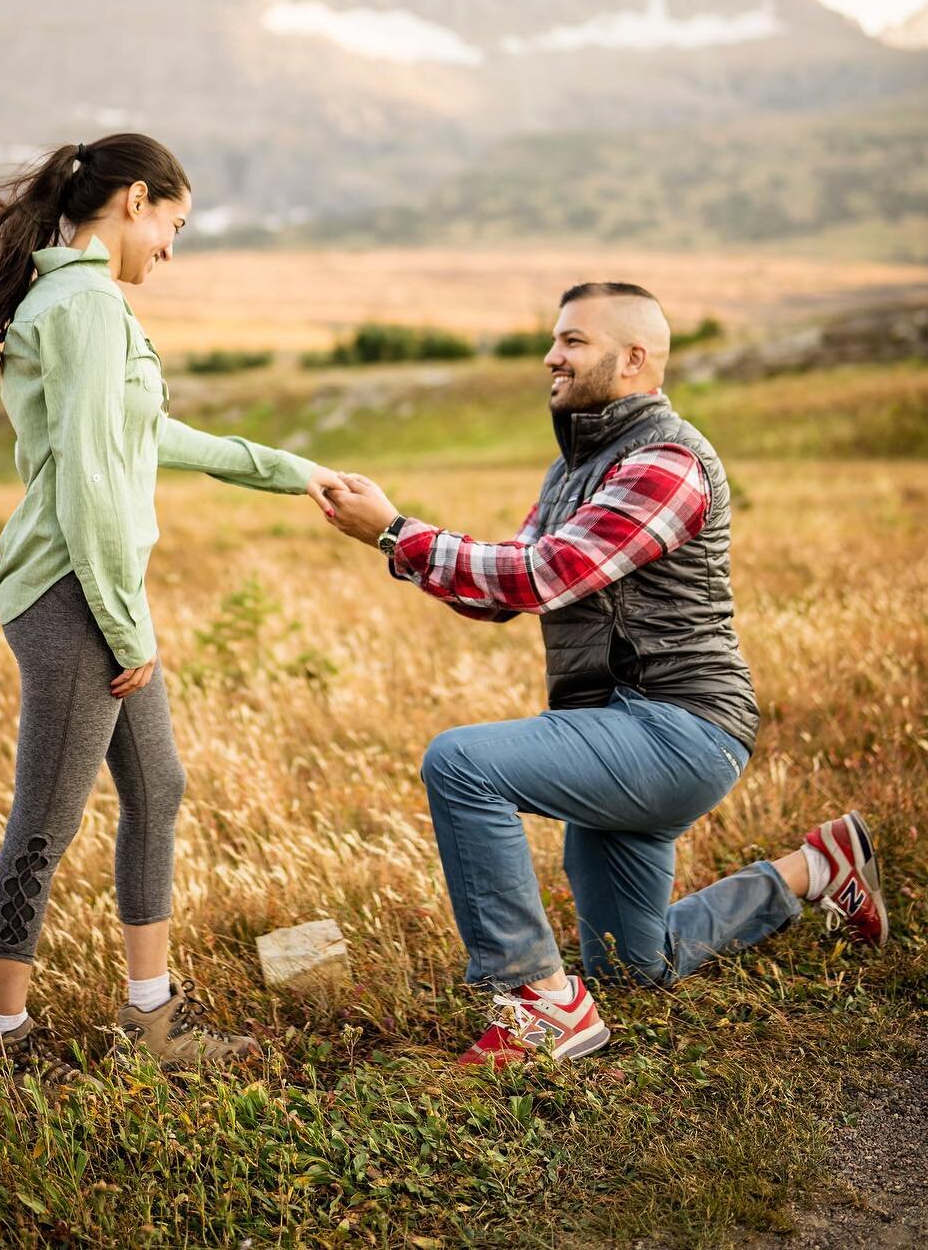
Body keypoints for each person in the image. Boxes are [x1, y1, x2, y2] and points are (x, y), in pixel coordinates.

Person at [322, 281, 887, 1068]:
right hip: (616, 728)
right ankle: (816, 868)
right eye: (555, 339)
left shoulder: (669, 461)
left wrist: (394, 529)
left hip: (679, 730)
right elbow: (498, 598)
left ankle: (538, 1002)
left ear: (633, 359)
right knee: (631, 967)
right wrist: (387, 540)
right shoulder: (573, 472)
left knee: (460, 762)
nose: (551, 355)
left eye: (573, 341)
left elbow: (543, 576)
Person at [0, 135, 341, 1086]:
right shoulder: (91, 304)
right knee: (47, 820)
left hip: (94, 591)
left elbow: (143, 432)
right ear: (135, 202)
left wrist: (293, 471)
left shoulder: (78, 299)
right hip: (75, 597)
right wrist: (127, 628)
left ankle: (152, 1017)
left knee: (158, 788)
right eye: (173, 225)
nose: (171, 250)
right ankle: (1, 1045)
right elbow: (94, 483)